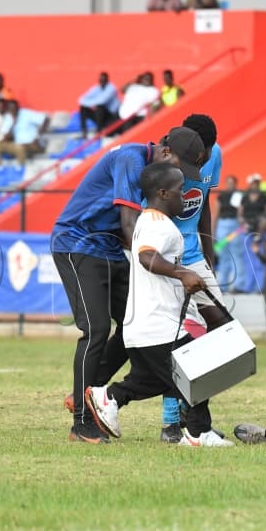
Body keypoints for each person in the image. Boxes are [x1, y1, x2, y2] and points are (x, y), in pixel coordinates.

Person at [51, 124, 206, 444]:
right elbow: (129, 224)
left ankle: (90, 394)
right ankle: (81, 422)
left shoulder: (148, 167)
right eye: (178, 165)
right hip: (77, 244)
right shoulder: (130, 160)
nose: (179, 175)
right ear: (165, 152)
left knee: (133, 326)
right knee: (94, 330)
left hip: (108, 250)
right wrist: (164, 264)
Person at [84, 161, 232, 447]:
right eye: (180, 190)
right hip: (158, 325)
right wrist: (183, 272)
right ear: (163, 193)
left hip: (147, 327)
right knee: (198, 371)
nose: (185, 195)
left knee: (155, 381)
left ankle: (111, 396)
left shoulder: (152, 221)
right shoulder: (156, 225)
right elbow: (146, 257)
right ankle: (199, 434)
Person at [159, 114, 227, 443]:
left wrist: (209, 252)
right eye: (201, 153)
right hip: (165, 261)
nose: (206, 158)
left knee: (223, 329)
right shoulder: (162, 160)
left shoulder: (215, 153)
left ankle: (197, 418)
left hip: (195, 257)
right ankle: (172, 422)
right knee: (177, 339)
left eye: (209, 152)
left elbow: (205, 205)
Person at [0, 100, 49, 165]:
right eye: (11, 109)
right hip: (18, 146)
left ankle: (21, 168)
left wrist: (38, 135)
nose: (13, 111)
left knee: (20, 148)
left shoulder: (26, 113)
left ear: (18, 108)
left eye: (14, 108)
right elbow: (6, 137)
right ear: (8, 109)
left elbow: (45, 119)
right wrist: (13, 124)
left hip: (32, 144)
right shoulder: (8, 118)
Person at [214, 175, 244, 289]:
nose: (230, 185)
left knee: (236, 253)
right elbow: (216, 213)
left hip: (234, 225)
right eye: (228, 182)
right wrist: (213, 229)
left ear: (235, 184)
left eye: (232, 183)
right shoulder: (221, 196)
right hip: (222, 225)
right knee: (223, 254)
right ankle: (223, 284)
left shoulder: (238, 195)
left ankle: (239, 284)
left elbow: (240, 211)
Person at [78, 72, 120, 138]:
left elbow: (102, 101)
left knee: (100, 107)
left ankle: (99, 131)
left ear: (107, 80)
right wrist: (92, 102)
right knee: (83, 108)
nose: (102, 82)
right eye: (100, 80)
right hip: (101, 116)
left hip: (112, 116)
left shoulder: (111, 88)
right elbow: (81, 99)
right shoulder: (97, 88)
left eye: (104, 80)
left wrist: (91, 102)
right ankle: (84, 132)